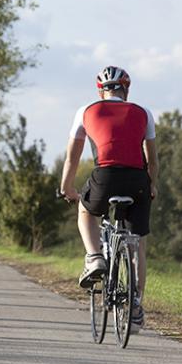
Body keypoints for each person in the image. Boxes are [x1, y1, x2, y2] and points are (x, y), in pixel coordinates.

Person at [60, 66, 159, 331]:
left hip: (104, 177)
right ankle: (136, 307)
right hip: (138, 181)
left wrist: (67, 188)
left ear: (100, 90)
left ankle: (94, 257)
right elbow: (152, 160)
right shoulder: (143, 112)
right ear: (126, 88)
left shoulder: (86, 111)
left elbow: (72, 157)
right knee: (138, 243)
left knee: (85, 209)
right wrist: (152, 186)